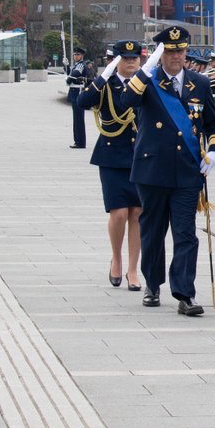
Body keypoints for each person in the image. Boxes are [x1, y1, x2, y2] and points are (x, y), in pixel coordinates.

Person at [119, 27, 215, 316]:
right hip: (152, 169)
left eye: (180, 50)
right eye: (170, 51)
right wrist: (147, 68)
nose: (176, 56)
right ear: (160, 53)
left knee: (185, 233)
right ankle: (153, 284)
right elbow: (125, 101)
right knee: (153, 231)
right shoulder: (147, 82)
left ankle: (185, 293)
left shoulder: (199, 83)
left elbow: (214, 124)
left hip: (187, 172)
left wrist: (214, 151)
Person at [79, 40, 144, 292]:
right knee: (118, 213)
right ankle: (116, 258)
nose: (130, 62)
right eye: (125, 58)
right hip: (112, 156)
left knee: (137, 213)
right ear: (115, 60)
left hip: (140, 155)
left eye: (134, 58)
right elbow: (83, 102)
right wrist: (104, 75)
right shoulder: (105, 84)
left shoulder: (144, 84)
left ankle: (132, 268)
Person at [66, 47, 90, 149]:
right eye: (75, 55)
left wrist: (68, 79)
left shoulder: (80, 65)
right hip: (73, 92)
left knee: (79, 119)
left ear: (82, 56)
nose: (76, 56)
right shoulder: (76, 65)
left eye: (77, 55)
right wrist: (66, 66)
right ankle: (77, 140)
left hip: (78, 92)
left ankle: (80, 142)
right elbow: (69, 73)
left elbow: (74, 75)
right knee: (76, 119)